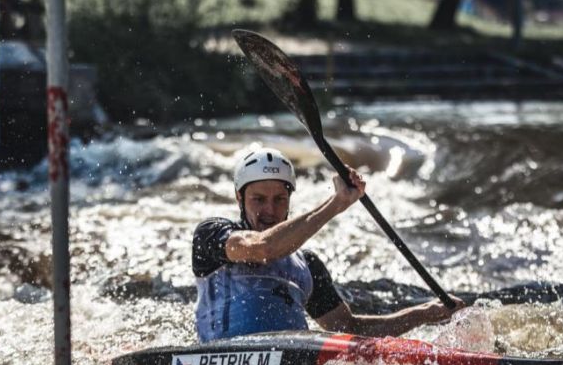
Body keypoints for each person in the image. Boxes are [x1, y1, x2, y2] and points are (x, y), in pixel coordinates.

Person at [191, 147, 465, 343]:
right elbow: (261, 248)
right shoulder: (212, 235)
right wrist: (336, 204)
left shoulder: (306, 265)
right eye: (258, 199)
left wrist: (424, 314)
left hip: (290, 363)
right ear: (239, 198)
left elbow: (348, 327)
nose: (270, 211)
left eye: (279, 200)